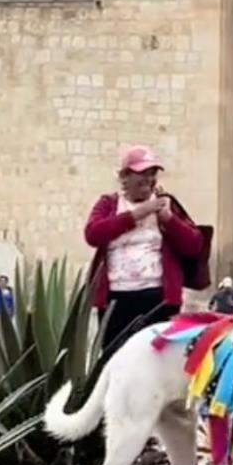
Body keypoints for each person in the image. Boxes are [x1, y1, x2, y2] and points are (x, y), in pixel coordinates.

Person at [84, 145, 204, 358]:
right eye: (142, 173)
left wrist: (169, 220)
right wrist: (137, 214)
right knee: (115, 357)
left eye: (152, 173)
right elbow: (93, 234)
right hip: (116, 299)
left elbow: (193, 245)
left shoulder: (165, 204)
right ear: (125, 177)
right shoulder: (109, 204)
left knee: (156, 359)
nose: (148, 179)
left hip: (157, 297)